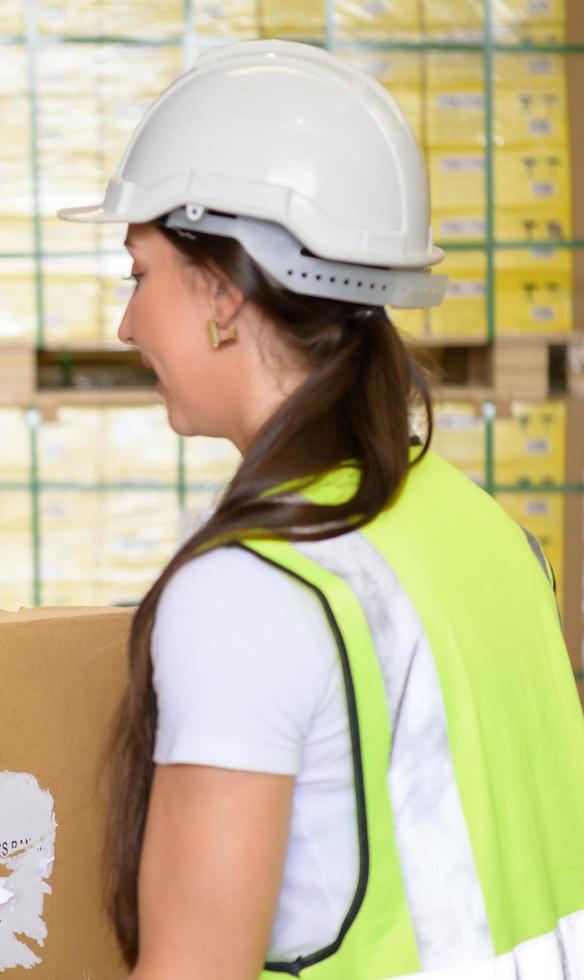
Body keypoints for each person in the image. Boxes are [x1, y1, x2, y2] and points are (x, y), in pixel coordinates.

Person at [58, 41, 584, 978]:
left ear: (223, 291)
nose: (126, 325)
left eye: (138, 273)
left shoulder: (250, 591)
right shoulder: (487, 533)